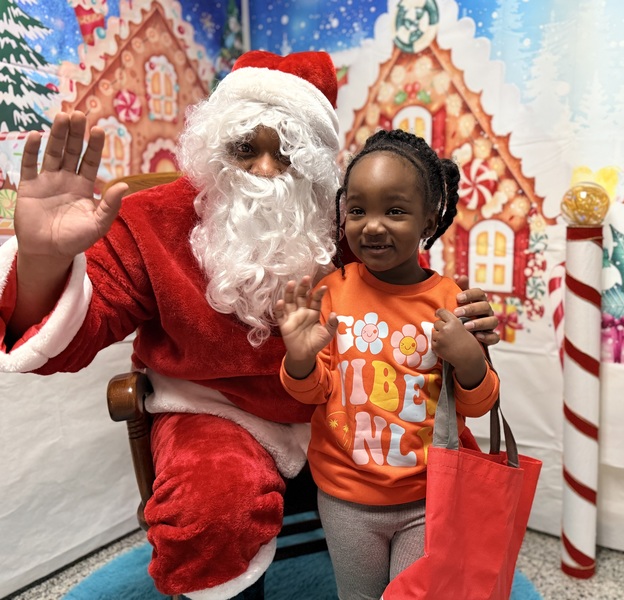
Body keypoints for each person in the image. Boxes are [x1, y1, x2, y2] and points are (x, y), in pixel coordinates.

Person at [0, 51, 499, 600]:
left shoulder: (350, 220)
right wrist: (43, 262)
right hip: (216, 410)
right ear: (214, 149)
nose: (265, 170)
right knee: (211, 507)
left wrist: (465, 333)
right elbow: (72, 338)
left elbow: (410, 303)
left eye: (286, 152)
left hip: (341, 407)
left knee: (450, 478)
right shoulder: (153, 220)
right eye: (244, 149)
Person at [276, 129, 500, 600]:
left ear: (428, 220)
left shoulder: (451, 300)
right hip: (344, 498)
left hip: (428, 496)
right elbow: (313, 391)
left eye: (394, 211)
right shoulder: (331, 291)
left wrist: (468, 361)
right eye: (357, 210)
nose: (372, 226)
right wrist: (298, 359)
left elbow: (479, 406)